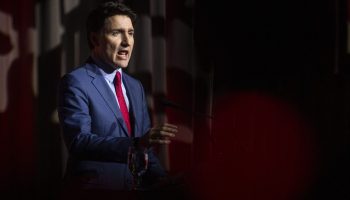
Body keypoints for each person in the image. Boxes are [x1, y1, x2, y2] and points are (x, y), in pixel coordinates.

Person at [57, 1, 177, 195]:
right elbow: (79, 142)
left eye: (130, 33)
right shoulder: (76, 82)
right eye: (116, 33)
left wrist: (165, 179)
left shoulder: (134, 86)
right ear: (95, 39)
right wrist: (136, 143)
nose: (127, 42)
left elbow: (144, 143)